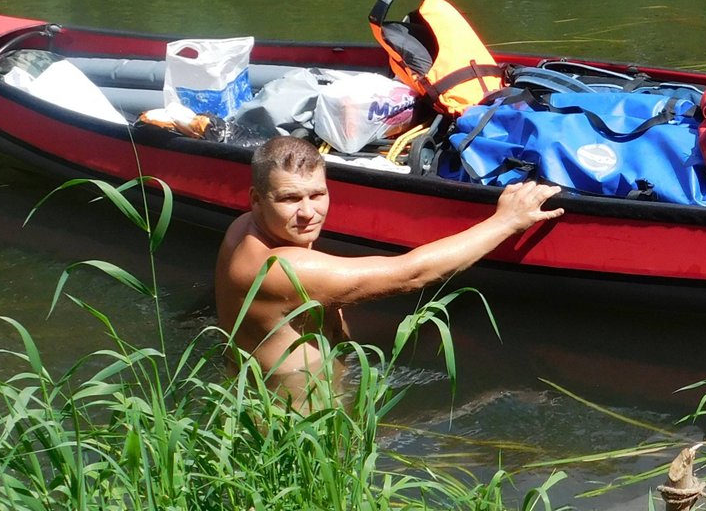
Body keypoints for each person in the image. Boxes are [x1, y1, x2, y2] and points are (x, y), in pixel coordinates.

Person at [216, 135, 563, 410]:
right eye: (290, 199)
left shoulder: (243, 230)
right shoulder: (277, 269)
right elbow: (411, 274)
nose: (309, 212)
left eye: (318, 194)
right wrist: (505, 222)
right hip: (298, 419)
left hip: (270, 387)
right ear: (256, 198)